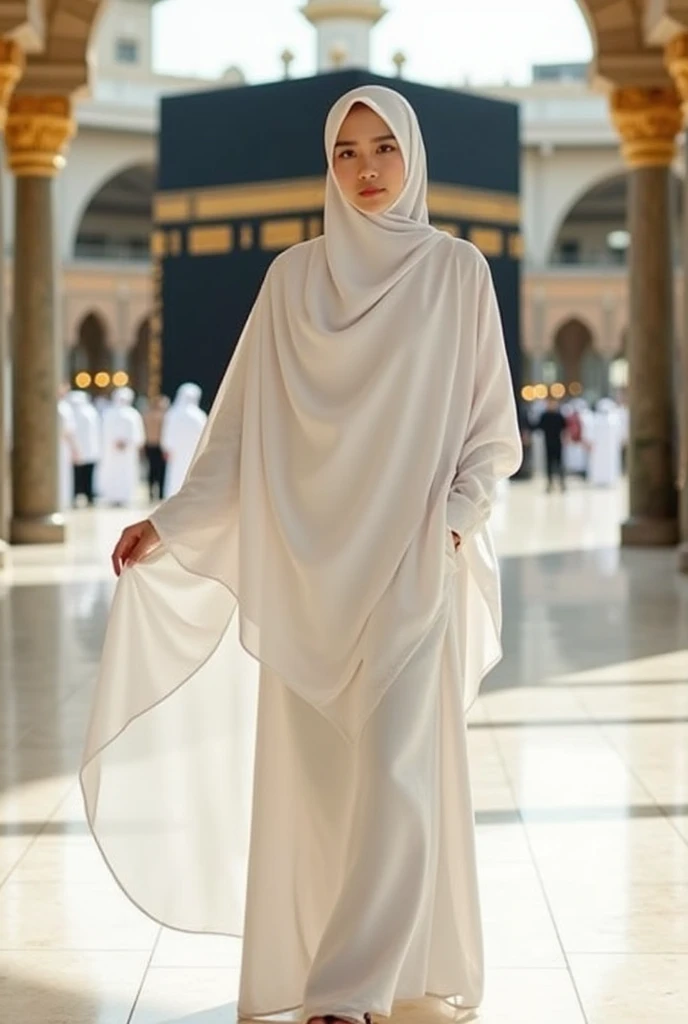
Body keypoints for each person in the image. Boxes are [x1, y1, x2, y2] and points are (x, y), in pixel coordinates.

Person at [80, 87, 522, 1024]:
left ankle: (349, 991)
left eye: (384, 149)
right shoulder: (291, 281)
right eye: (347, 153)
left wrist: (450, 523)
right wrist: (171, 520)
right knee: (323, 782)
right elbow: (239, 434)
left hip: (410, 565)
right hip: (308, 566)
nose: (366, 170)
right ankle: (333, 966)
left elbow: (491, 434)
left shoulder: (456, 274)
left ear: (414, 156)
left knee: (400, 777)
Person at [98, 386, 145, 506]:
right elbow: (103, 432)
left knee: (125, 472)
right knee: (114, 472)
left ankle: (124, 496)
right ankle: (113, 496)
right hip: (113, 450)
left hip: (126, 450)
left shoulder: (130, 414)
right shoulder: (110, 413)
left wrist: (126, 443)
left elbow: (137, 434)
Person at [161, 383, 208, 498]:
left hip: (176, 451)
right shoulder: (199, 416)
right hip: (193, 451)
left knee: (176, 475)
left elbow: (167, 433)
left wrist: (166, 448)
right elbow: (205, 435)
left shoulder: (172, 414)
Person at [68, 390, 101, 505]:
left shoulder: (73, 412)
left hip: (81, 451)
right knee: (84, 476)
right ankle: (87, 496)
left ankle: (83, 496)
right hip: (86, 451)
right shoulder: (90, 412)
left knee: (79, 476)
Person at [535, 395, 568, 492]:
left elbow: (565, 428)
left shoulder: (559, 415)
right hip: (548, 443)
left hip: (558, 443)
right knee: (549, 464)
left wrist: (566, 438)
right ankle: (550, 483)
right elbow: (538, 427)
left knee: (559, 464)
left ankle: (562, 483)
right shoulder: (544, 416)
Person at [588, 397, 623, 487]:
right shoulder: (597, 419)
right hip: (599, 449)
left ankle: (609, 479)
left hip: (609, 449)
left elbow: (619, 434)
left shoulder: (613, 419)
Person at [142, 394, 170, 501]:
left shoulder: (148, 415)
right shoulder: (164, 416)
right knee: (157, 470)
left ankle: (155, 493)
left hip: (155, 446)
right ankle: (157, 493)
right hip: (156, 446)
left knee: (155, 470)